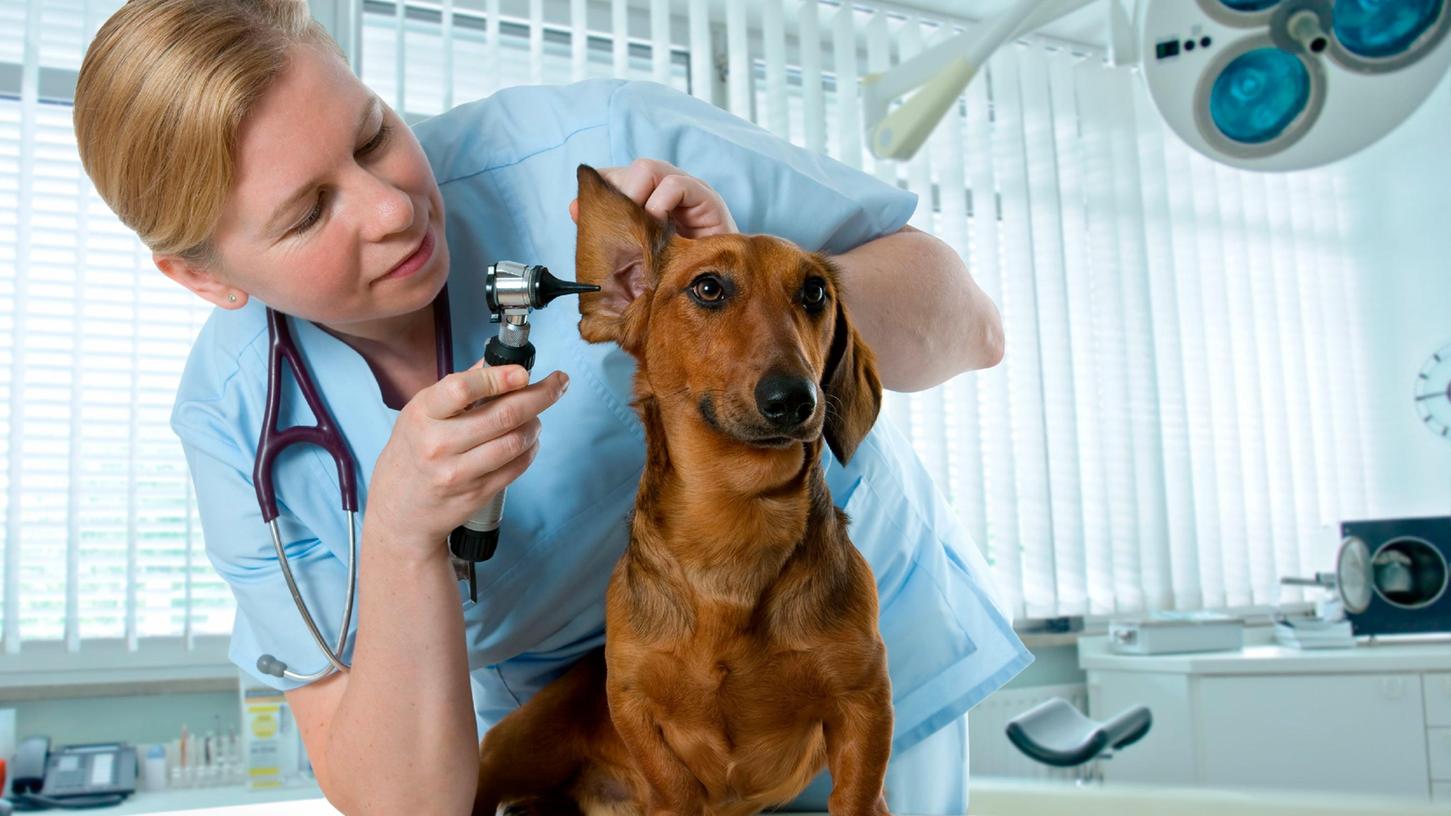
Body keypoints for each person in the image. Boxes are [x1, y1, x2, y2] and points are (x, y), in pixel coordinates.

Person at [73, 1, 1031, 813]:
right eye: (309, 212)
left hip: (835, 667)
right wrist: (402, 535)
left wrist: (738, 303)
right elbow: (405, 799)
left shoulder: (603, 155)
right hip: (604, 730)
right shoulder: (239, 427)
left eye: (372, 135)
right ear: (202, 277)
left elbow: (971, 325)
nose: (393, 207)